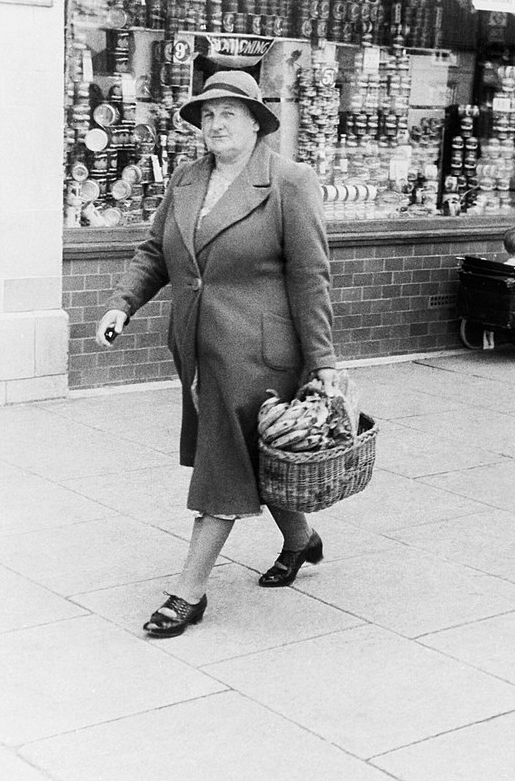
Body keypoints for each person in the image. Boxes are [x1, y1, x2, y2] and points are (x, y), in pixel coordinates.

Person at [96, 70, 338, 638]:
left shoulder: (289, 182)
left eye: (230, 112)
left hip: (261, 354)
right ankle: (302, 540)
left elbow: (311, 279)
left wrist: (322, 362)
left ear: (257, 121)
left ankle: (189, 591)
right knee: (251, 455)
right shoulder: (186, 178)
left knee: (222, 468)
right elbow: (155, 251)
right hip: (199, 351)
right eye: (207, 114)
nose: (217, 123)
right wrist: (120, 305)